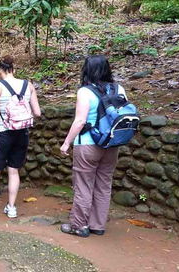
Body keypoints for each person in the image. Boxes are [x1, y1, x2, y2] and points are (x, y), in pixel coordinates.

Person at [59, 55, 125, 237]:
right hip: (111, 145)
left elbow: (80, 120)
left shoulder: (85, 92)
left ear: (87, 70)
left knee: (83, 186)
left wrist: (66, 143)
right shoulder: (119, 89)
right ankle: (97, 224)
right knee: (104, 185)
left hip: (88, 144)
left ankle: (79, 225)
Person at [0, 56, 41, 218]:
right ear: (14, 69)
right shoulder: (28, 85)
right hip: (22, 133)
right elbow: (37, 113)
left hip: (1, 134)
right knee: (14, 172)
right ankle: (11, 207)